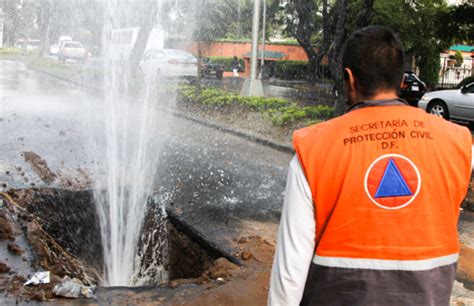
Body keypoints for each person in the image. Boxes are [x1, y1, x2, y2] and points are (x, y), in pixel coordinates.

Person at [268, 26, 472, 306]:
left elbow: (290, 272)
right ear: (401, 79)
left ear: (350, 79)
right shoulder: (459, 142)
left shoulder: (313, 148)